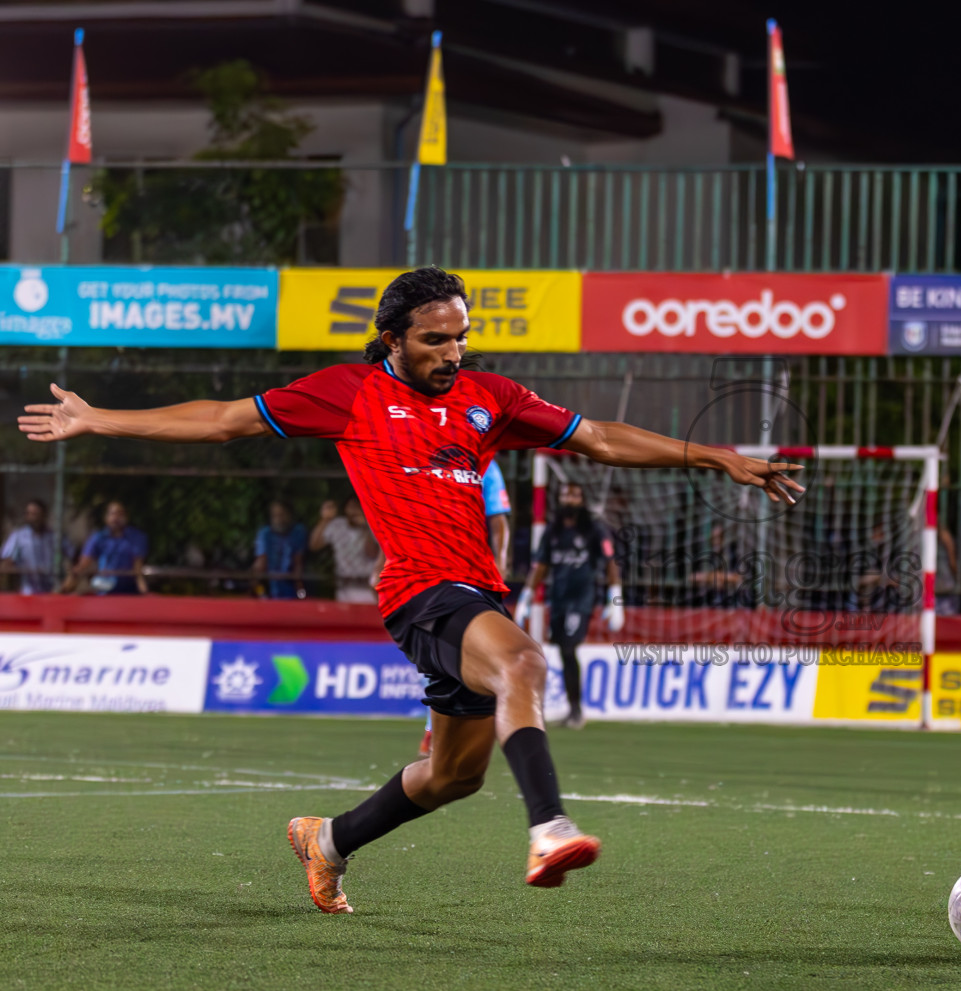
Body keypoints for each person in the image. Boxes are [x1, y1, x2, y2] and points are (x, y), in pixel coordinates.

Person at [18, 265, 802, 914]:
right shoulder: (350, 392)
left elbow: (596, 437)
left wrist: (715, 457)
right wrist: (100, 419)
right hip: (420, 590)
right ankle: (549, 827)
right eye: (435, 339)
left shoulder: (490, 397)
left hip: (474, 595)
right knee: (526, 666)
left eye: (461, 336)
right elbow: (225, 420)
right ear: (392, 339)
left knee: (454, 775)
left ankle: (326, 841)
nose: (452, 351)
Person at [419, 457, 516, 757]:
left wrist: (498, 569)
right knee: (439, 654)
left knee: (487, 655)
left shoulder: (484, 464)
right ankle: (435, 732)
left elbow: (499, 522)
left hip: (474, 574)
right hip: (431, 571)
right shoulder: (421, 458)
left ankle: (489, 725)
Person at [514, 481, 623, 730]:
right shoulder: (552, 531)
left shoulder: (594, 529)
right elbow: (540, 566)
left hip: (582, 599)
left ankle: (576, 710)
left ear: (582, 499)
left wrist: (616, 598)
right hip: (559, 599)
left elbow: (610, 563)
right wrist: (526, 597)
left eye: (574, 495)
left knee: (569, 647)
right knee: (563, 650)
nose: (569, 499)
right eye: (565, 495)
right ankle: (571, 708)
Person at [60, 501, 148, 595]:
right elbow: (84, 564)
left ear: (126, 517)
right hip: (105, 591)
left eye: (120, 514)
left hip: (130, 592)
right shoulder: (98, 537)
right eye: (112, 514)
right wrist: (67, 586)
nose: (116, 518)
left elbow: (138, 566)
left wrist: (144, 592)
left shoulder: (137, 537)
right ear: (106, 517)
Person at [309, 496, 379, 603]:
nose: (355, 511)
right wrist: (325, 519)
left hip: (367, 588)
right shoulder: (337, 525)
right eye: (352, 507)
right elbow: (314, 545)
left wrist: (366, 526)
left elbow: (371, 553)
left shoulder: (372, 525)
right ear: (345, 509)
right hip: (344, 588)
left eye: (358, 507)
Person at [1, 499, 61, 594]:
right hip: (28, 593)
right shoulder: (18, 536)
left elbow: (74, 556)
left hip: (52, 592)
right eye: (29, 514)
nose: (32, 517)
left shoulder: (54, 536)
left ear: (43, 515)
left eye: (35, 514)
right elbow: (7, 559)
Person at [252, 500, 307, 599]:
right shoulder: (265, 533)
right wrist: (259, 590)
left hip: (291, 586)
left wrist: (301, 593)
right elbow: (261, 563)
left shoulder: (298, 531)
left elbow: (298, 562)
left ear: (290, 515)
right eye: (275, 516)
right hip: (269, 586)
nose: (278, 519)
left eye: (282, 515)